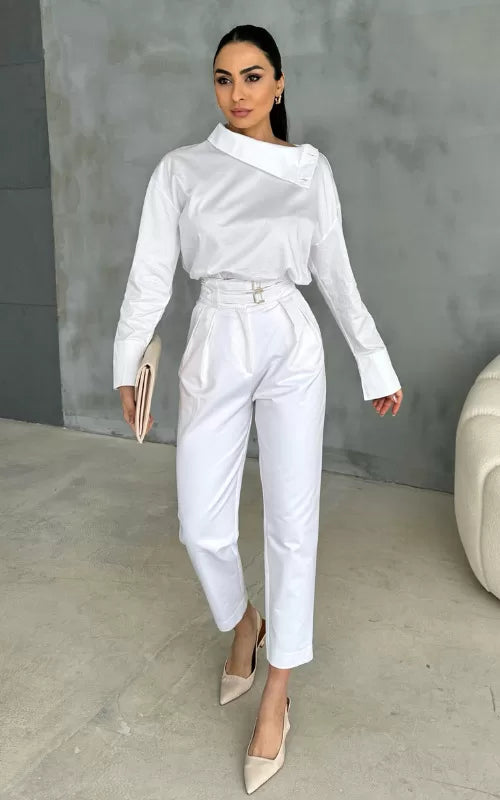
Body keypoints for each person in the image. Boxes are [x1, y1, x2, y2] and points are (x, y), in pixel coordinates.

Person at [113, 23, 403, 794]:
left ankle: (277, 690)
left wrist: (373, 361)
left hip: (289, 336)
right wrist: (128, 358)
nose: (236, 93)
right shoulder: (182, 170)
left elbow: (335, 271)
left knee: (292, 522)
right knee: (200, 525)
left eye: (251, 77)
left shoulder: (309, 170)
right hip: (216, 333)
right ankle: (246, 621)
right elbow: (150, 273)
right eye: (223, 78)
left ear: (278, 83)